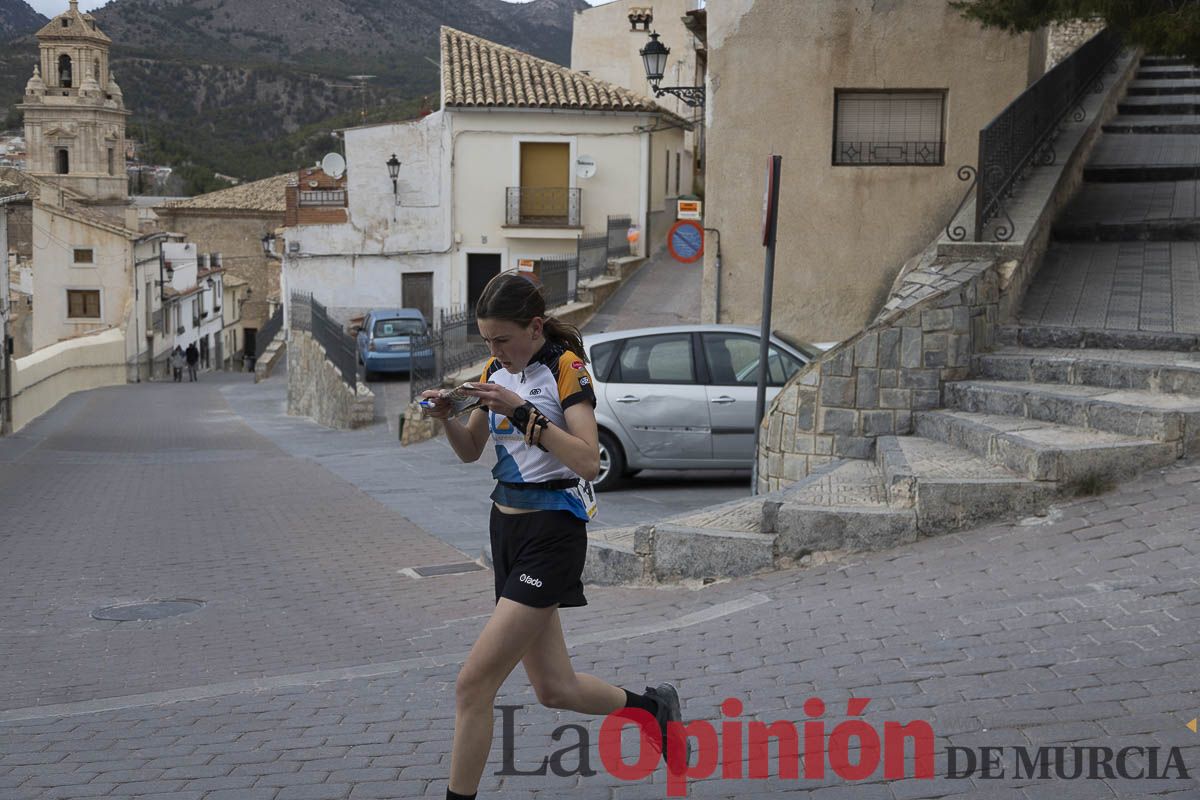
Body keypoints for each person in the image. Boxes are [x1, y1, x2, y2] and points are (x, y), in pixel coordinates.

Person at [420, 271, 689, 800]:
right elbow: (472, 451)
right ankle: (654, 708)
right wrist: (447, 415)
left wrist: (521, 413)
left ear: (535, 326)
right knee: (554, 689)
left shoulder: (565, 369)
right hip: (506, 531)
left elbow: (588, 460)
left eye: (501, 339)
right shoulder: (499, 369)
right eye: (486, 341)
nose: (493, 351)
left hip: (552, 535)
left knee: (473, 684)